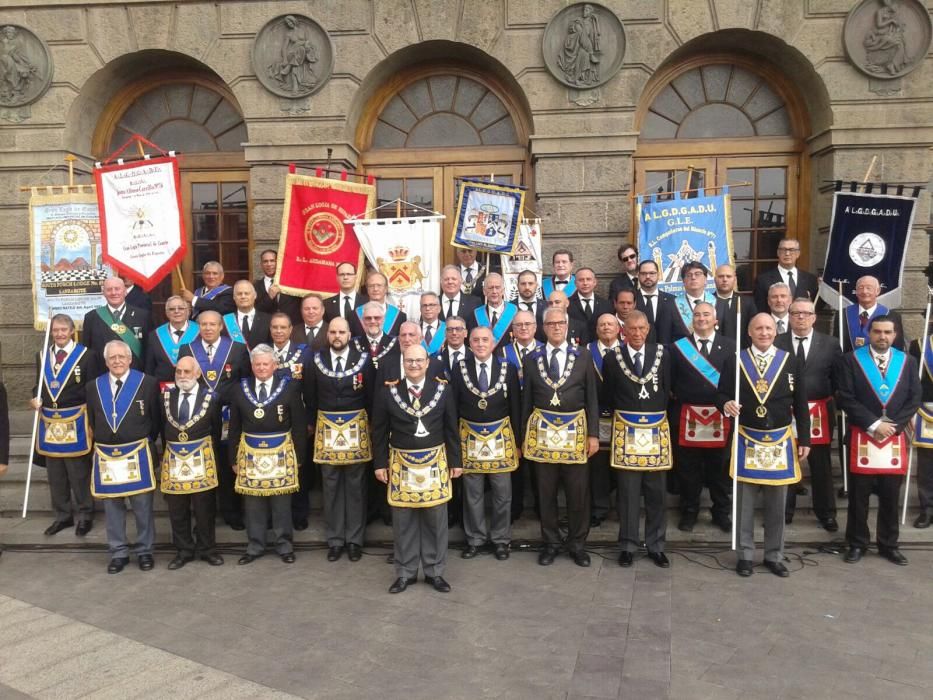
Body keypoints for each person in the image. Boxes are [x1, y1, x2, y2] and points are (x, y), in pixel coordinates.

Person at [718, 314, 810, 578]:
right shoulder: (735, 360)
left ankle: (774, 555)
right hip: (747, 438)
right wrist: (725, 404)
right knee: (744, 503)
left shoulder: (790, 360)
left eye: (769, 328)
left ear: (776, 331)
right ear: (749, 331)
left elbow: (800, 403)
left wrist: (804, 438)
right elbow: (721, 394)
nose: (764, 332)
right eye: (758, 328)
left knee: (777, 503)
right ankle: (745, 555)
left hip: (780, 440)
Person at [372, 344, 462, 593]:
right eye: (409, 360)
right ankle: (405, 572)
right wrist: (380, 463)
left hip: (435, 461)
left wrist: (456, 461)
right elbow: (378, 431)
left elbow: (451, 428)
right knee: (404, 521)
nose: (414, 365)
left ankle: (435, 571)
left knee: (436, 519)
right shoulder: (388, 392)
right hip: (401, 463)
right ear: (403, 363)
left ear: (427, 363)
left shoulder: (443, 390)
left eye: (419, 360)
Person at [836, 315, 920, 566]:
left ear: (895, 335)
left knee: (890, 496)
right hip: (863, 435)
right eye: (877, 332)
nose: (882, 337)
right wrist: (874, 424)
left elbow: (914, 398)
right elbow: (845, 397)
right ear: (869, 333)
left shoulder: (907, 361)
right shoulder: (851, 360)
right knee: (858, 497)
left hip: (894, 437)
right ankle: (857, 542)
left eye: (887, 332)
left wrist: (892, 427)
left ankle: (889, 544)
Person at [522, 306, 600, 567]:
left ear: (567, 326)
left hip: (576, 432)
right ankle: (551, 543)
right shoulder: (532, 358)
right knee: (546, 492)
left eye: (560, 323)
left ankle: (577, 544)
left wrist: (593, 435)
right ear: (543, 328)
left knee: (578, 492)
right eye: (551, 323)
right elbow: (525, 402)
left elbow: (591, 397)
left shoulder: (583, 356)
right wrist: (524, 436)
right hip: (542, 435)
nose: (556, 327)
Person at [603, 310, 672, 568]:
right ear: (624, 331)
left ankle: (656, 545)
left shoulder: (663, 354)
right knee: (628, 493)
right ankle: (628, 545)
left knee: (656, 493)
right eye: (632, 329)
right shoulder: (613, 358)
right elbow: (608, 394)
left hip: (655, 431)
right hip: (626, 433)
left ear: (648, 329)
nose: (637, 333)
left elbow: (667, 389)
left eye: (642, 328)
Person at [228, 344, 308, 565]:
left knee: (281, 502)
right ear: (252, 366)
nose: (261, 368)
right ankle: (255, 546)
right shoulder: (240, 388)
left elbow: (299, 425)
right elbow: (234, 427)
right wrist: (233, 458)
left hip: (282, 451)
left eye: (266, 363)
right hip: (250, 453)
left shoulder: (289, 388)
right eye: (257, 364)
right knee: (253, 502)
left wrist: (299, 457)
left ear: (275, 365)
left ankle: (284, 545)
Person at [86, 340, 161, 574]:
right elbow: (92, 418)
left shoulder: (147, 383)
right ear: (106, 361)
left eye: (121, 357)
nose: (117, 361)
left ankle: (144, 550)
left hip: (137, 452)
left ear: (129, 359)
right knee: (112, 507)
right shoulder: (93, 386)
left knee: (142, 506)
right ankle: (118, 552)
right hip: (107, 456)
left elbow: (155, 419)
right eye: (112, 358)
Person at [304, 317, 375, 562]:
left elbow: (371, 396)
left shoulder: (363, 361)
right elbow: (310, 396)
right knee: (331, 485)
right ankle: (335, 540)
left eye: (341, 332)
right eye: (333, 332)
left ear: (349, 334)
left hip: (356, 429)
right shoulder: (316, 361)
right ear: (327, 335)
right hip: (327, 431)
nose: (337, 336)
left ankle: (355, 540)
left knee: (356, 487)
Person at [452, 326, 521, 561]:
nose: (481, 344)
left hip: (500, 438)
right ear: (469, 344)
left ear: (493, 344)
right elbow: (453, 406)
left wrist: (518, 442)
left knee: (503, 493)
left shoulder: (507, 368)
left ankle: (501, 540)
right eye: (476, 340)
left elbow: (515, 406)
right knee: (473, 493)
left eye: (485, 340)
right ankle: (475, 539)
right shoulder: (459, 368)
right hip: (469, 437)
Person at [178, 310, 251, 531]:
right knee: (203, 462)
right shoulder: (187, 349)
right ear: (198, 327)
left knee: (228, 463)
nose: (208, 328)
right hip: (198, 417)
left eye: (212, 324)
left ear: (221, 327)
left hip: (229, 416)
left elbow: (244, 380)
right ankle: (204, 514)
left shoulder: (237, 349)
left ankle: (231, 511)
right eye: (203, 324)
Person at [777, 298, 842, 530]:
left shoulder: (831, 344)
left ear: (814, 317)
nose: (801, 317)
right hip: (787, 411)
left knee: (821, 465)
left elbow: (837, 379)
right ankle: (785, 510)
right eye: (795, 313)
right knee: (787, 462)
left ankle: (826, 513)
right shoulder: (777, 342)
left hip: (819, 412)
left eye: (806, 313)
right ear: (789, 316)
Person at [669, 302, 734, 533]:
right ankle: (689, 511)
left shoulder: (731, 346)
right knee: (688, 470)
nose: (701, 318)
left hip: (721, 416)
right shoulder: (678, 348)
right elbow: (671, 381)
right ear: (691, 320)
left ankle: (721, 512)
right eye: (697, 315)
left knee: (719, 469)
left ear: (715, 319)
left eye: (706, 314)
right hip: (687, 416)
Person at [31, 314, 98, 537]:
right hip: (49, 422)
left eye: (63, 330)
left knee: (78, 471)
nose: (59, 334)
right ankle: (63, 516)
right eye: (55, 330)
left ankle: (85, 514)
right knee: (55, 473)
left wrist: (92, 423)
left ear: (71, 331)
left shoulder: (87, 356)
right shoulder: (42, 356)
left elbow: (92, 391)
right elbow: (38, 387)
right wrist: (35, 398)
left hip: (76, 419)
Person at [159, 356, 224, 569]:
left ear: (197, 373)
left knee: (204, 507)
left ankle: (208, 549)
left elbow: (215, 430)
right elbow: (162, 427)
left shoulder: (212, 398)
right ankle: (183, 550)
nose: (182, 376)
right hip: (175, 459)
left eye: (187, 372)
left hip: (201, 459)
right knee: (177, 508)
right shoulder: (166, 397)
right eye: (179, 372)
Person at [501, 310, 544, 521]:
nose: (524, 328)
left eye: (528, 324)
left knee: (539, 465)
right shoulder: (502, 353)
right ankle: (515, 507)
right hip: (511, 413)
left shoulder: (545, 351)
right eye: (519, 325)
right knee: (514, 460)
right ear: (513, 330)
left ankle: (540, 506)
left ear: (535, 327)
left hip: (539, 413)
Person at [587, 313, 622, 527]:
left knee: (621, 464)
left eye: (610, 324)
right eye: (602, 325)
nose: (606, 327)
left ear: (619, 328)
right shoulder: (586, 352)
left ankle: (622, 507)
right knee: (597, 466)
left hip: (622, 416)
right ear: (596, 329)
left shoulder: (628, 350)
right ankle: (599, 508)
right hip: (596, 415)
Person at [82, 276, 153, 370]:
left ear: (125, 291)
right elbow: (88, 353)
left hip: (135, 376)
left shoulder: (142, 316)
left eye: (117, 289)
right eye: (109, 290)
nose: (113, 293)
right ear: (103, 293)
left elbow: (149, 350)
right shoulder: (91, 317)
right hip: (102, 376)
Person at [834, 275, 907, 352]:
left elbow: (897, 348)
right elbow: (836, 344)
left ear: (878, 291)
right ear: (856, 291)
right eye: (861, 288)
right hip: (848, 362)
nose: (864, 291)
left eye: (869, 288)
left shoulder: (892, 316)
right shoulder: (842, 314)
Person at [752, 238, 819, 311]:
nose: (787, 253)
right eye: (783, 250)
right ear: (778, 253)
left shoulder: (810, 279)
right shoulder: (763, 280)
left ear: (798, 254)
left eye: (791, 250)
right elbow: (760, 308)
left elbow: (816, 306)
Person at [145, 295, 198, 386]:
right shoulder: (155, 335)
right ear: (167, 313)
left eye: (181, 308)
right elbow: (149, 367)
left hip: (193, 387)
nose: (176, 311)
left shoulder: (199, 332)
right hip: (163, 388)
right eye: (172, 309)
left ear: (188, 311)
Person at [910, 330, 933, 529]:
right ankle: (927, 507)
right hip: (928, 411)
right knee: (926, 464)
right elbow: (913, 380)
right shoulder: (919, 345)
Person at [667, 262, 717, 344]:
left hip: (716, 354)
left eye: (697, 274)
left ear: (705, 279)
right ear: (683, 281)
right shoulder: (670, 306)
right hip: (684, 354)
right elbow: (666, 339)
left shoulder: (718, 302)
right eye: (689, 275)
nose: (693, 277)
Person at [714, 264, 756, 347]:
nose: (725, 279)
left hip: (740, 352)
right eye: (721, 276)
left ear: (735, 280)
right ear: (715, 279)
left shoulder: (747, 303)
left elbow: (753, 330)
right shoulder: (707, 302)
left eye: (728, 276)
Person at [568, 267, 612, 345]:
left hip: (600, 350)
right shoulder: (567, 304)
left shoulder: (606, 305)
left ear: (595, 282)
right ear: (575, 283)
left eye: (588, 279)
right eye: (581, 280)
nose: (585, 283)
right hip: (576, 350)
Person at [254, 249, 300, 323]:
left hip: (291, 328)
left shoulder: (292, 283)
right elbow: (255, 311)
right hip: (266, 329)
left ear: (278, 262)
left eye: (272, 261)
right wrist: (269, 297)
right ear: (261, 264)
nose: (269, 264)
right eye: (265, 261)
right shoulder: (255, 287)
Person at [474, 273, 518, 350]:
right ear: (484, 291)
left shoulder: (516, 313)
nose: (494, 291)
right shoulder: (475, 316)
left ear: (503, 290)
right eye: (490, 288)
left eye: (497, 287)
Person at [324, 260, 367, 336]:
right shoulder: (326, 304)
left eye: (349, 274)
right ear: (337, 277)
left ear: (355, 276)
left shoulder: (367, 303)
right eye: (342, 274)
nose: (345, 277)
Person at [224, 280, 272, 349]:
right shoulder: (226, 321)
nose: (243, 296)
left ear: (255, 295)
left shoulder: (268, 320)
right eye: (239, 294)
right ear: (234, 297)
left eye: (247, 293)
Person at [635, 260, 673, 344]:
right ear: (638, 275)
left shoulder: (672, 301)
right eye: (643, 273)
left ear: (658, 275)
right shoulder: (631, 300)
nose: (648, 276)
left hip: (667, 353)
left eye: (652, 273)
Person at [358, 271, 406, 337]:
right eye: (371, 286)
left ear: (386, 288)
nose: (375, 289)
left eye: (379, 285)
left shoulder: (400, 317)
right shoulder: (354, 315)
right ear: (367, 289)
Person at [269, 312, 309, 382]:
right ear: (270, 329)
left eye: (283, 327)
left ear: (290, 329)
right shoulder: (262, 351)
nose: (278, 331)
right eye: (275, 327)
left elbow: (309, 384)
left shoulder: (304, 353)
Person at [514, 270, 546, 336]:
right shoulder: (509, 308)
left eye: (530, 283)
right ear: (517, 285)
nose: (527, 287)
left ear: (536, 285)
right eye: (523, 284)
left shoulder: (547, 306)